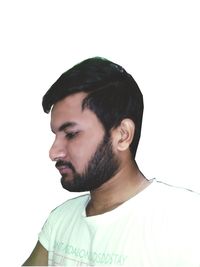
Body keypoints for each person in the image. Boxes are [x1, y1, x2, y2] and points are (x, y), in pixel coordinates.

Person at [23, 57, 200, 267]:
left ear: (123, 135)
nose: (54, 152)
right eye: (55, 135)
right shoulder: (60, 220)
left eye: (70, 134)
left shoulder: (186, 221)